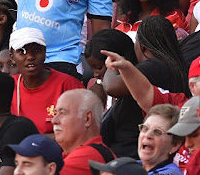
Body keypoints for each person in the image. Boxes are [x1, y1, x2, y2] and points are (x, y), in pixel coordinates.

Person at [103, 17, 188, 157]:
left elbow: (111, 87)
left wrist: (113, 63)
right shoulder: (176, 68)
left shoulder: (153, 67)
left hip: (131, 150)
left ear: (142, 46)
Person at [9, 28, 83, 135]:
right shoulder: (8, 86)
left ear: (45, 53)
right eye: (22, 51)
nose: (30, 57)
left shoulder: (68, 85)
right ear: (12, 57)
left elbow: (82, 131)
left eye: (37, 50)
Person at [52, 89, 115, 173]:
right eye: (55, 113)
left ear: (87, 119)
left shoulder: (88, 156)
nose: (54, 120)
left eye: (62, 113)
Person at [136, 105, 184, 175]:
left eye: (157, 132)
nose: (147, 135)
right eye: (145, 128)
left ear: (174, 145)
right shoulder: (131, 165)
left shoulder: (171, 173)